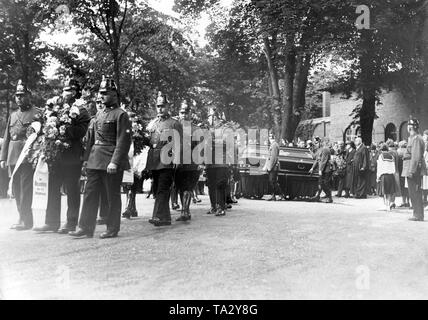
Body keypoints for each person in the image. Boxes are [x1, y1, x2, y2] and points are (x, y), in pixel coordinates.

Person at [69, 76, 132, 238]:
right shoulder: (99, 114)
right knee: (89, 194)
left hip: (110, 161)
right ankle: (85, 227)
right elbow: (90, 138)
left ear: (115, 94)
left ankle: (112, 228)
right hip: (95, 160)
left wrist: (115, 162)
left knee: (111, 196)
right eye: (101, 93)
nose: (102, 96)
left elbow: (123, 141)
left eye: (105, 93)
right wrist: (85, 160)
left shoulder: (121, 115)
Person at [33, 77, 91, 234]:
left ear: (74, 92)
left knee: (72, 189)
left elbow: (81, 131)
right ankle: (51, 222)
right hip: (56, 155)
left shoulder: (82, 110)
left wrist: (63, 130)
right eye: (64, 90)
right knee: (53, 188)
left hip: (72, 154)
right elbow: (47, 125)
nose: (65, 93)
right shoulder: (56, 108)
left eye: (68, 90)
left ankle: (71, 223)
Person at [0, 80, 42, 230]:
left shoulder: (37, 113)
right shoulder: (12, 115)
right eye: (17, 95)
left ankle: (27, 220)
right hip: (13, 156)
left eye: (22, 95)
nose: (19, 98)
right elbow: (7, 137)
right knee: (16, 188)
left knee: (26, 188)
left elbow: (40, 136)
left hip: (27, 155)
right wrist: (3, 158)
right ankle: (21, 217)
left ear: (29, 96)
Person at [146, 92, 182, 227]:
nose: (160, 109)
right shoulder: (153, 123)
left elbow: (179, 143)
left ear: (168, 106)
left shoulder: (174, 123)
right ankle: (165, 218)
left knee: (162, 188)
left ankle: (158, 216)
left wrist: (177, 159)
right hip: (154, 160)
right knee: (157, 189)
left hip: (167, 159)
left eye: (163, 106)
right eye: (158, 106)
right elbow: (149, 141)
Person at [174, 101, 200, 221]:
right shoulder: (175, 127)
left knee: (188, 187)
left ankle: (185, 211)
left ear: (191, 114)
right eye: (182, 112)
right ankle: (186, 211)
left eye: (186, 112)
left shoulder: (196, 129)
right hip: (178, 163)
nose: (184, 115)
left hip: (192, 163)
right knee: (180, 186)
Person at [402, 118, 427, 221]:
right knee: (414, 192)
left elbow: (415, 157)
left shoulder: (416, 139)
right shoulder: (415, 138)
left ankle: (418, 214)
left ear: (410, 127)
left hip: (413, 170)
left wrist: (412, 170)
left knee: (415, 192)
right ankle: (417, 213)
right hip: (413, 169)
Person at [309, 139, 333, 203]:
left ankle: (329, 198)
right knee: (320, 183)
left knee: (325, 184)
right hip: (322, 169)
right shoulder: (320, 149)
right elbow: (317, 159)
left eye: (316, 143)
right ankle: (318, 196)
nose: (315, 144)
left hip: (325, 170)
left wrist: (320, 170)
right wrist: (312, 168)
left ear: (321, 143)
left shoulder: (325, 149)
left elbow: (323, 161)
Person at [376, 143, 397, 212]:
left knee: (384, 191)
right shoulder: (391, 156)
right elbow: (393, 168)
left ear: (381, 150)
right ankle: (388, 205)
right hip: (391, 175)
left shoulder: (381, 156)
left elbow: (379, 167)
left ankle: (385, 205)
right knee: (389, 191)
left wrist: (378, 177)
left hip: (384, 175)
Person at [263, 134, 283, 201]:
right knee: (272, 181)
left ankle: (280, 194)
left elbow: (273, 158)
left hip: (273, 167)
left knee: (272, 181)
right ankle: (274, 195)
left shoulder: (274, 145)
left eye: (269, 137)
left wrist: (269, 167)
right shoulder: (274, 144)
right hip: (273, 166)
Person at [397, 140, 410, 208]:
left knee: (402, 187)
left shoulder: (399, 151)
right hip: (407, 172)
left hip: (401, 172)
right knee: (408, 187)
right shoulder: (408, 151)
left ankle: (403, 201)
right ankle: (408, 201)